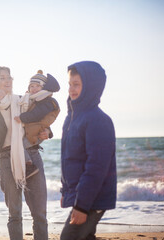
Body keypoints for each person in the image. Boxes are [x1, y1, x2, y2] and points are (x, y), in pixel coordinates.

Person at [0, 66, 51, 240]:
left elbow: (42, 119)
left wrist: (47, 132)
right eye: (2, 78)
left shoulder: (22, 101)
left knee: (39, 213)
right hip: (7, 158)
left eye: (9, 77)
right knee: (15, 213)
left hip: (31, 155)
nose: (8, 81)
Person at [60, 61, 117, 240]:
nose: (71, 89)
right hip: (80, 196)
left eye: (76, 85)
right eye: (70, 84)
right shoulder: (71, 118)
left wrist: (82, 206)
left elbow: (96, 167)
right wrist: (66, 192)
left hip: (93, 199)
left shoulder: (98, 120)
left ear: (91, 86)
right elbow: (68, 159)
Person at [14, 70, 60, 179]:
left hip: (37, 133)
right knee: (19, 145)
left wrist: (22, 118)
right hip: (35, 130)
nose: (34, 89)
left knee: (18, 145)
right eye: (32, 86)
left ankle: (29, 166)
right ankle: (28, 164)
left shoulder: (47, 101)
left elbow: (37, 115)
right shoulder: (36, 99)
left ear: (43, 88)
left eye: (37, 86)